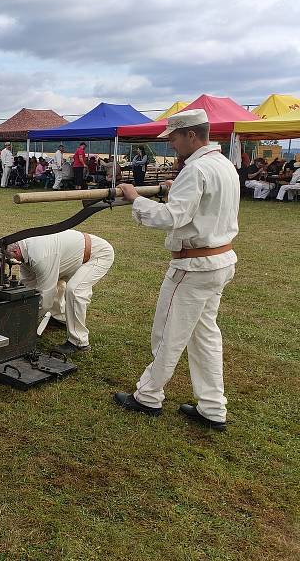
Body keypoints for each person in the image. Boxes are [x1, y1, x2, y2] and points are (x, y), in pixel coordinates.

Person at [114, 109, 239, 431]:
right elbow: (200, 205)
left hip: (194, 265)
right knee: (205, 336)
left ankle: (148, 396)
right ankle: (213, 407)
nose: (170, 144)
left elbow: (172, 218)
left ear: (191, 135)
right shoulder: (222, 165)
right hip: (219, 261)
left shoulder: (196, 168)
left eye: (173, 137)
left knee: (168, 334)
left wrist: (135, 198)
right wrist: (175, 189)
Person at [4, 230, 114, 356]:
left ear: (16, 251)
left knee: (74, 291)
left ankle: (79, 342)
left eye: (11, 258)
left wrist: (25, 323)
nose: (13, 262)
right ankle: (60, 319)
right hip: (71, 255)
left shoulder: (40, 256)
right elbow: (29, 287)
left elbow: (46, 298)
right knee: (52, 281)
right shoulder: (24, 252)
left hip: (98, 255)